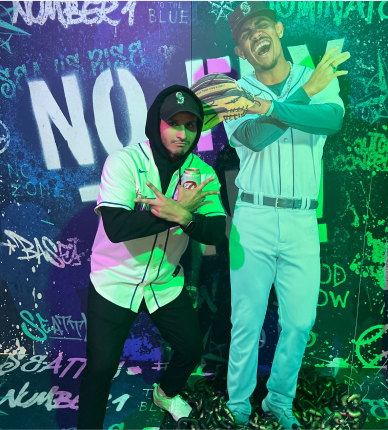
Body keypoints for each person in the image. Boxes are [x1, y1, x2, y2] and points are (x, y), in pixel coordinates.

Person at [223, 1, 350, 429]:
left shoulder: (313, 73)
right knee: (246, 320)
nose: (255, 34)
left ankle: (278, 399)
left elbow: (331, 120)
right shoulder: (236, 91)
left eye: (261, 25)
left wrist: (293, 99)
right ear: (241, 50)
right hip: (252, 219)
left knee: (300, 320)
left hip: (300, 222)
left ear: (277, 29)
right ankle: (239, 407)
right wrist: (306, 93)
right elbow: (255, 138)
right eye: (245, 33)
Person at [77, 85, 226, 430]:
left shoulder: (202, 175)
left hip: (163, 282)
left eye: (191, 125)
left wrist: (185, 216)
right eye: (174, 123)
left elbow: (216, 232)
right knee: (100, 369)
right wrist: (171, 213)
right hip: (115, 279)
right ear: (156, 124)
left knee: (190, 350)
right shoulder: (125, 161)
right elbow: (116, 226)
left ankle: (165, 393)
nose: (183, 132)